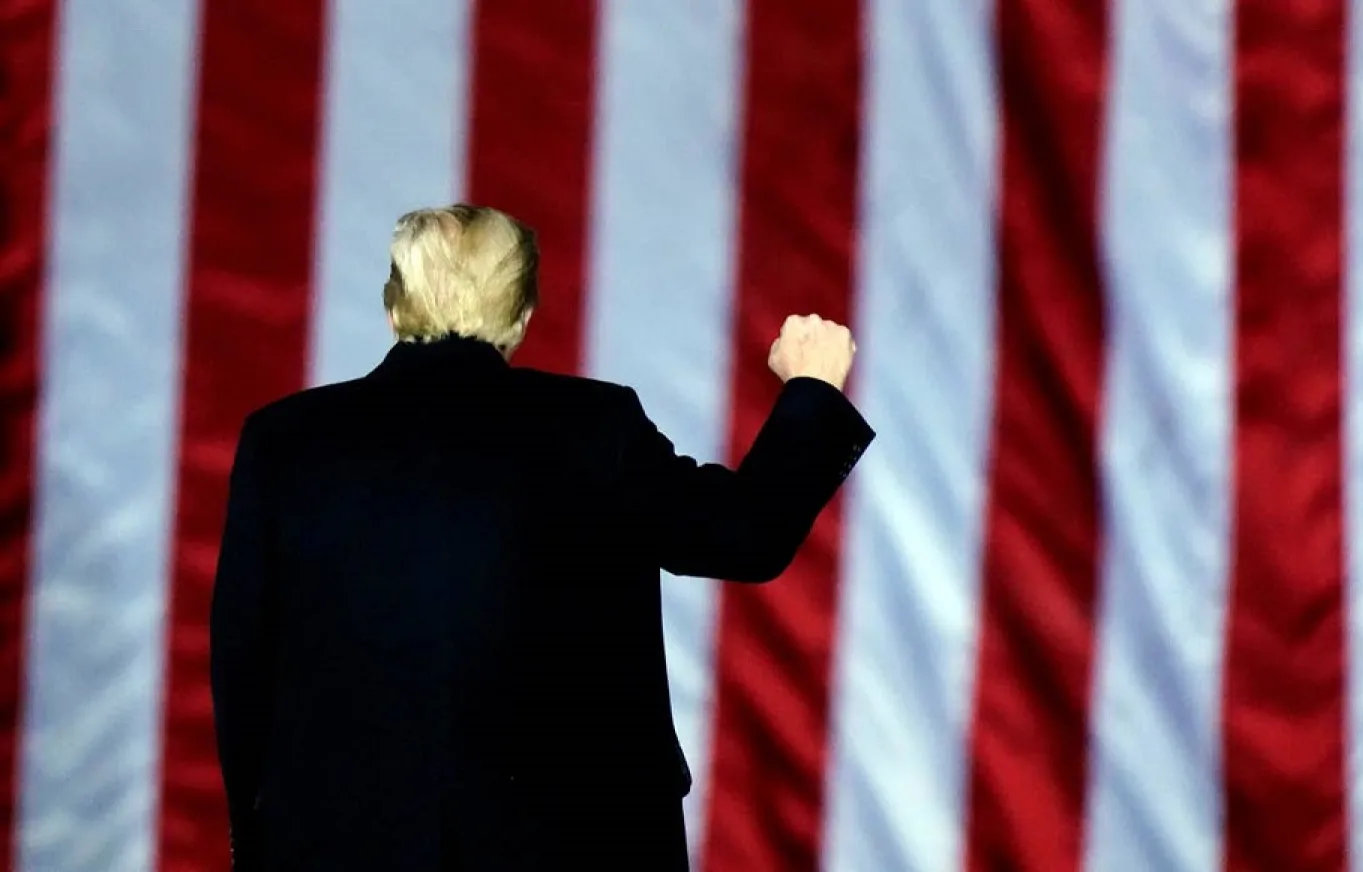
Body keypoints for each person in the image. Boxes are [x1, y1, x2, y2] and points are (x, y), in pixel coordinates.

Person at [208, 203, 874, 870]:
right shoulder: (596, 431)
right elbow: (746, 535)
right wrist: (811, 388)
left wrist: (256, 844)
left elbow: (242, 663)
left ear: (394, 308)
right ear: (521, 316)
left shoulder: (285, 443)